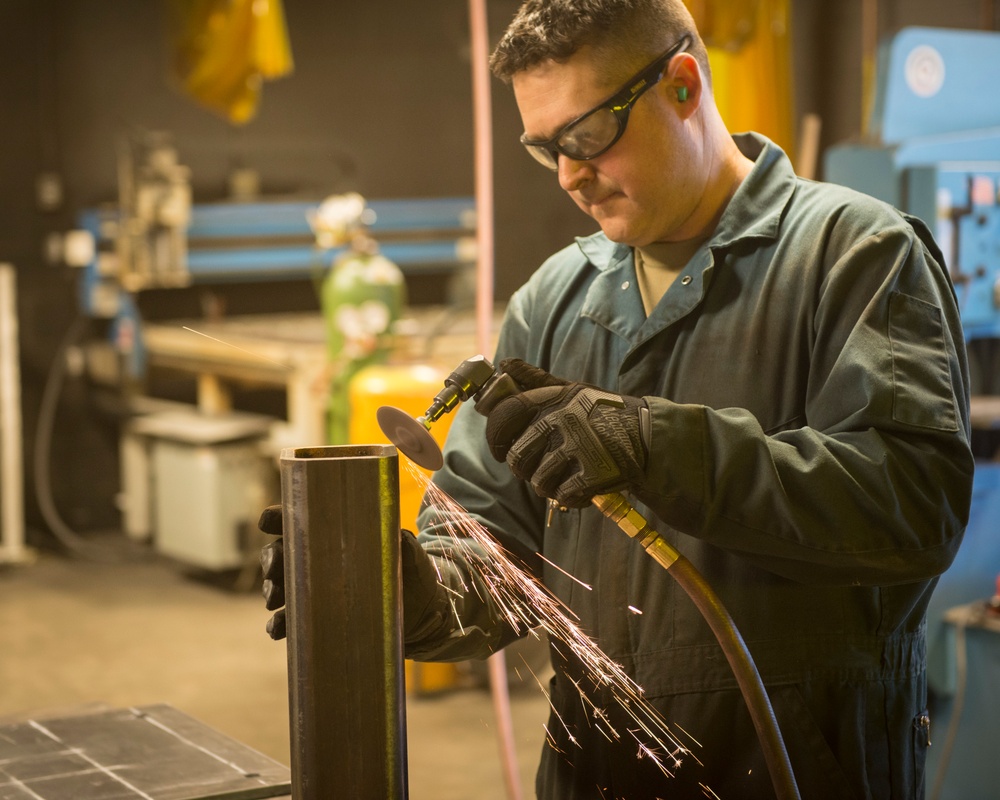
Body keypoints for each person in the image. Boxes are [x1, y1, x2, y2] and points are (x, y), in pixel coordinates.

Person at [263, 1, 974, 797]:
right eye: (545, 149)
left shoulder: (855, 255)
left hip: (798, 768)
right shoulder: (551, 302)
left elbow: (913, 507)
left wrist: (652, 445)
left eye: (588, 136)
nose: (569, 174)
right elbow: (494, 556)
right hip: (595, 772)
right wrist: (401, 592)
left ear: (681, 85)